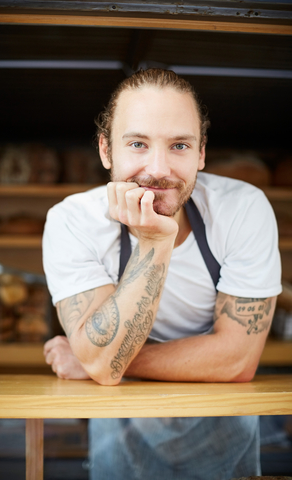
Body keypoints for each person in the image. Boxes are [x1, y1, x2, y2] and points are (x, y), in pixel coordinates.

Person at [43, 68, 282, 480]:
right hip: (122, 431)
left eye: (179, 146)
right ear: (106, 150)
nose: (159, 169)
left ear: (201, 153)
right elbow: (102, 362)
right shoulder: (71, 221)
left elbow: (238, 361)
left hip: (222, 430)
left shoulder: (244, 209)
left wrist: (105, 363)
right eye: (137, 143)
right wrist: (155, 243)